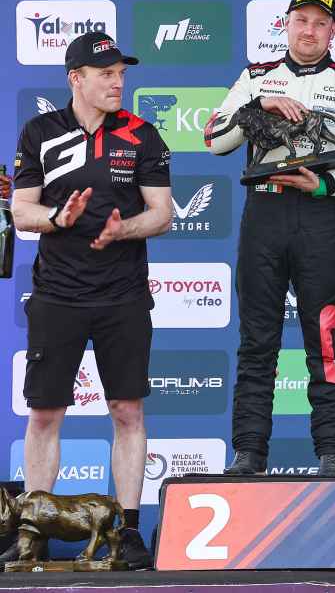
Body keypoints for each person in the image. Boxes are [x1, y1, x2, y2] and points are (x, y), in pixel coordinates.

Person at [205, 0, 335, 477]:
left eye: (320, 23)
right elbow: (214, 141)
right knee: (256, 341)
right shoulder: (255, 77)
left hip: (319, 216)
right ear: (285, 25)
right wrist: (258, 106)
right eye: (301, 20)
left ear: (333, 31)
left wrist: (326, 185)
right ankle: (248, 453)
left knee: (326, 336)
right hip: (264, 215)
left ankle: (332, 451)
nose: (310, 30)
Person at [9, 33, 173, 569]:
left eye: (121, 73)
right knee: (44, 414)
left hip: (123, 295)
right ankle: (34, 531)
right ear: (75, 78)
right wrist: (59, 218)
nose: (117, 82)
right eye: (106, 74)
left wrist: (125, 229)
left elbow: (162, 213)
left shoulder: (142, 134)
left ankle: (128, 530)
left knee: (127, 410)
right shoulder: (40, 132)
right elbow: (22, 210)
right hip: (57, 294)